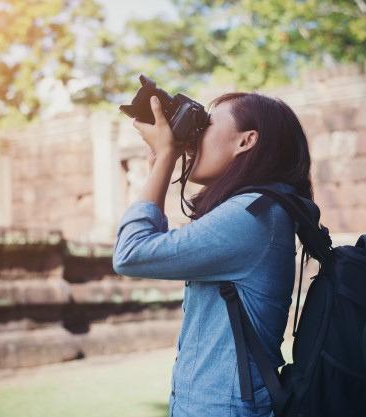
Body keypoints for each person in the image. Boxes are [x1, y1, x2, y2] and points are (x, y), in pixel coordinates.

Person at [112, 91, 314, 417]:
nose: (195, 135)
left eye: (206, 124)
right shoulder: (256, 210)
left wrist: (166, 158)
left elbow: (131, 253)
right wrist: (160, 162)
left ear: (246, 141)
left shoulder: (254, 215)